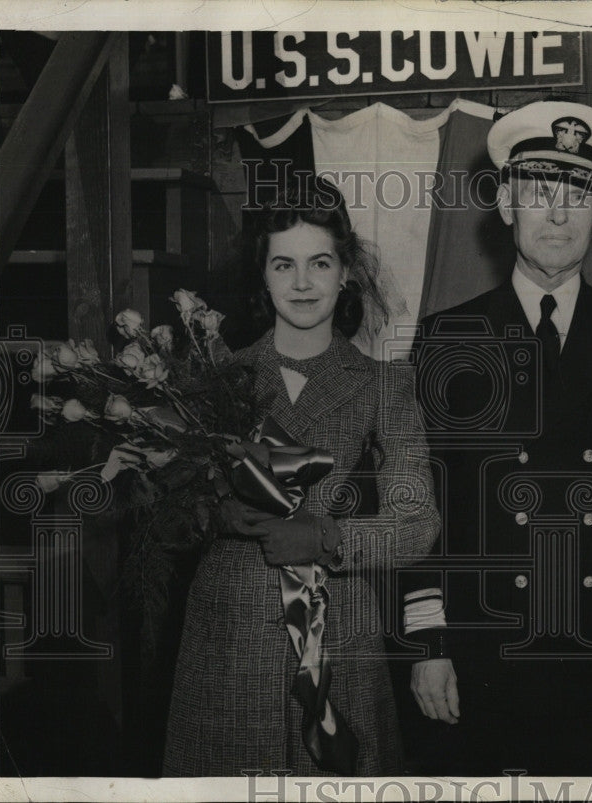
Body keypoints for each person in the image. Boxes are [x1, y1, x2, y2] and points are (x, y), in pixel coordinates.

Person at [402, 101, 592, 776]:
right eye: (540, 194)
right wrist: (427, 642)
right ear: (507, 205)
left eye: (579, 196)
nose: (558, 215)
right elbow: (419, 505)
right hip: (480, 649)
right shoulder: (446, 337)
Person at [163, 175, 440, 776]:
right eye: (283, 265)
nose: (303, 282)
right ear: (262, 276)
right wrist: (209, 513)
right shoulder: (215, 380)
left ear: (346, 273)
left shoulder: (383, 386)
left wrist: (327, 537)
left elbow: (418, 525)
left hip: (339, 628)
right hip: (229, 634)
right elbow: (163, 524)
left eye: (320, 262)